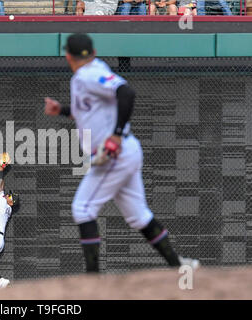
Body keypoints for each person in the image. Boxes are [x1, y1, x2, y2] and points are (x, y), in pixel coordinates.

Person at [44, 33, 199, 274]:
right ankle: (178, 266)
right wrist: (62, 110)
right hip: (126, 151)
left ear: (67, 56)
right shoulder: (90, 73)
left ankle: (92, 280)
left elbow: (127, 93)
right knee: (139, 216)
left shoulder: (89, 74)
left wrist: (115, 134)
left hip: (114, 153)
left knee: (82, 208)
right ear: (93, 52)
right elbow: (89, 110)